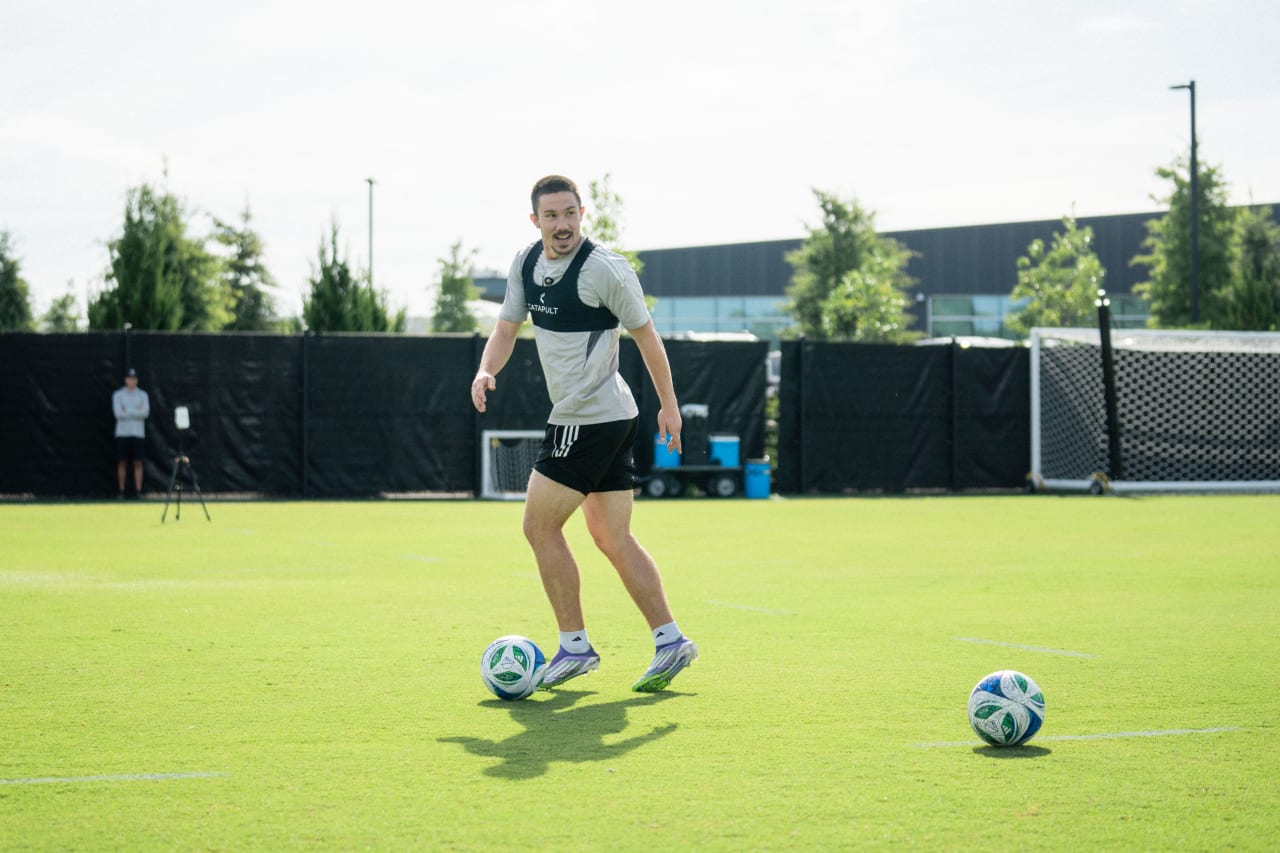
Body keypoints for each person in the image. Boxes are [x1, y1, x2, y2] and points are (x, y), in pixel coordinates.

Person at [471, 175, 697, 693]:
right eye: (551, 216)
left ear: (582, 213)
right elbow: (506, 329)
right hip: (607, 417)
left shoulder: (605, 269)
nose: (563, 224)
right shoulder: (526, 264)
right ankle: (671, 641)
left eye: (570, 213)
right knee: (611, 537)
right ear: (536, 221)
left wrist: (670, 406)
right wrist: (486, 370)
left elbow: (646, 336)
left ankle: (573, 647)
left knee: (538, 527)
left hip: (588, 419)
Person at [112, 367, 150, 498]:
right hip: (122, 434)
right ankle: (121, 491)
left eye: (133, 379)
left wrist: (127, 410)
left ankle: (138, 491)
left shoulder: (143, 395)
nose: (131, 381)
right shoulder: (118, 395)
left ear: (137, 380)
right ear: (125, 380)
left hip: (138, 434)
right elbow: (118, 414)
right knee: (122, 462)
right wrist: (136, 411)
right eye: (129, 378)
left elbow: (145, 413)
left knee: (138, 462)